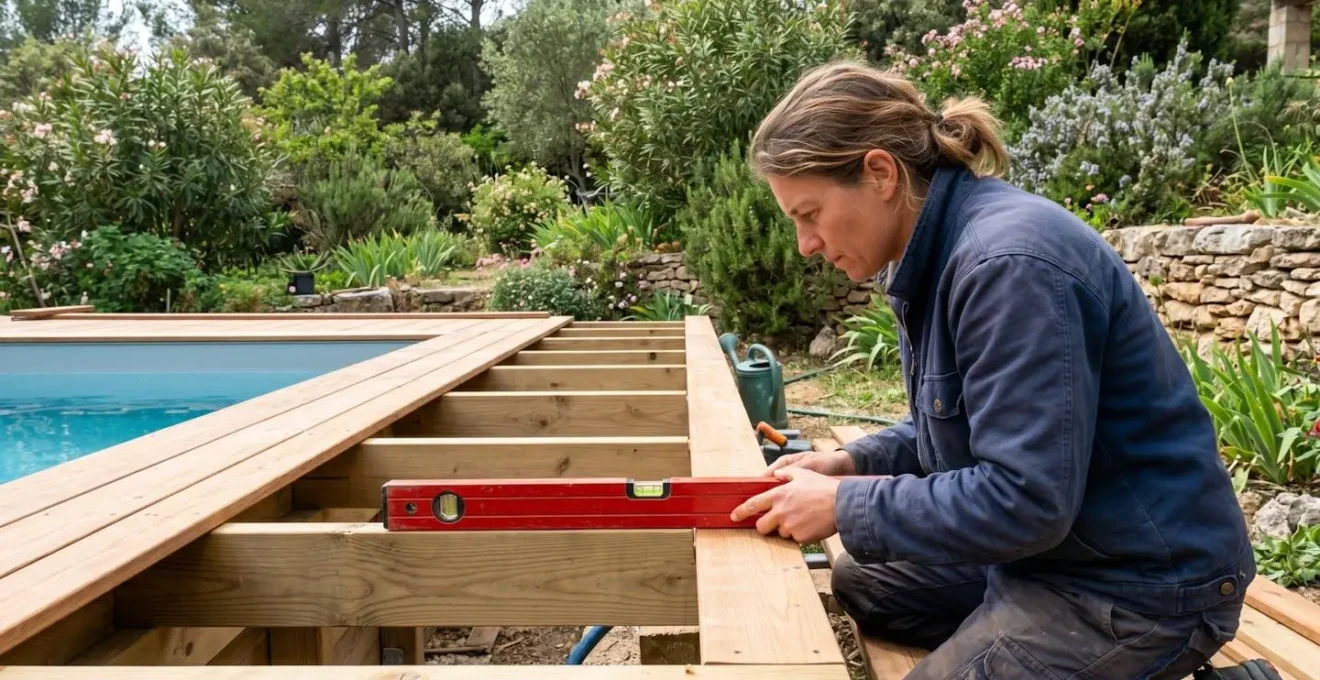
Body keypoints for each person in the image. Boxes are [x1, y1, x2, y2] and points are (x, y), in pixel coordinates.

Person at [728, 61, 1255, 679]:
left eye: (809, 213)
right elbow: (959, 420)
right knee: (865, 580)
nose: (805, 244)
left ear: (879, 173)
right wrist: (850, 464)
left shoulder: (1008, 265)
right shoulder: (940, 250)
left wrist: (846, 503)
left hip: (1141, 584)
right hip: (1058, 549)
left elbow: (1025, 500)